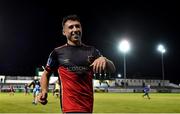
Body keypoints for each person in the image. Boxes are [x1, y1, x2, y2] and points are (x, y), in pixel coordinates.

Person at [38, 14, 116, 113]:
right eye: (70, 27)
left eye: (77, 26)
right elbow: (46, 74)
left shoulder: (92, 51)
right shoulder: (57, 53)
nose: (75, 29)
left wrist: (104, 59)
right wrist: (44, 91)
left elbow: (112, 69)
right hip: (69, 108)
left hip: (87, 109)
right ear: (64, 32)